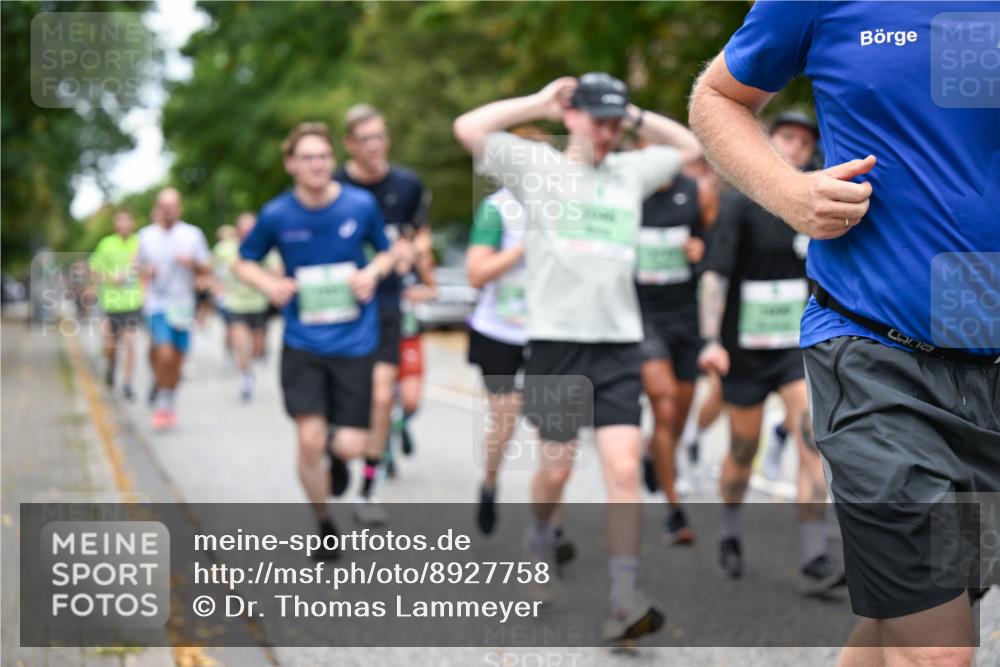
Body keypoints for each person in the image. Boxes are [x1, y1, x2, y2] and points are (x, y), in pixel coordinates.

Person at [689, 2, 999, 664]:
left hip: (989, 375)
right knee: (941, 648)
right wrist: (789, 192)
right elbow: (717, 97)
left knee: (925, 605)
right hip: (875, 353)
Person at [454, 72, 701, 642]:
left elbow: (691, 147)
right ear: (572, 117)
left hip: (618, 344)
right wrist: (539, 102)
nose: (609, 133)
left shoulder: (629, 172)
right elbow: (468, 127)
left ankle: (623, 598)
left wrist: (633, 115)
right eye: (599, 120)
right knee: (557, 468)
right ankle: (540, 536)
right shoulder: (537, 168)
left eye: (616, 123)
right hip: (557, 344)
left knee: (623, 470)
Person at [696, 111, 845, 595]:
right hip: (743, 351)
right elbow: (715, 274)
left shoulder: (817, 207)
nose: (794, 147)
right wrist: (710, 341)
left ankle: (814, 554)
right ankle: (729, 528)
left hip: (794, 349)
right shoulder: (739, 205)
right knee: (743, 449)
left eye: (804, 141)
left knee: (811, 437)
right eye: (786, 136)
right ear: (769, 140)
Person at [235, 121, 394, 560]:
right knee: (308, 439)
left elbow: (387, 252)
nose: (317, 164)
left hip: (356, 341)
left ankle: (337, 457)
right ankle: (324, 525)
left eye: (323, 156)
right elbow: (243, 262)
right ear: (291, 164)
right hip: (303, 342)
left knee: (351, 445)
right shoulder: (276, 214)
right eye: (307, 158)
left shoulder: (360, 205)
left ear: (332, 160)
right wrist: (269, 284)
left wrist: (371, 273)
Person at [334, 104, 435, 523]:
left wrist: (415, 251)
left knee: (381, 397)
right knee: (341, 404)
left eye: (380, 136)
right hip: (339, 306)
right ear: (349, 144)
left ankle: (368, 488)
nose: (375, 146)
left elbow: (421, 234)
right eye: (365, 139)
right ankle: (336, 451)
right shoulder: (333, 184)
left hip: (388, 302)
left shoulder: (407, 185)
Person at [634, 139, 715, 545]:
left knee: (678, 417)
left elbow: (716, 248)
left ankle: (655, 452)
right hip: (642, 316)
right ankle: (674, 511)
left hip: (686, 316)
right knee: (663, 404)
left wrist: (700, 251)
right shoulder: (630, 191)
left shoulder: (696, 192)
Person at [137, 188, 211, 431]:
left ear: (179, 208)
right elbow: (136, 268)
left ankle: (167, 397)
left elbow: (207, 269)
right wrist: (146, 273)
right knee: (164, 353)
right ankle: (162, 398)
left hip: (183, 305)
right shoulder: (146, 235)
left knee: (177, 360)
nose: (168, 210)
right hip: (157, 303)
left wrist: (193, 264)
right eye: (164, 205)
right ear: (157, 208)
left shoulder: (192, 234)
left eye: (173, 205)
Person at [213, 212, 282, 401]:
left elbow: (278, 270)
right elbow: (213, 271)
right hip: (235, 303)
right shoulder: (224, 249)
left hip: (259, 304)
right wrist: (217, 289)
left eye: (251, 230)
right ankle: (245, 375)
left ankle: (252, 361)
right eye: (244, 230)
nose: (247, 233)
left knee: (257, 347)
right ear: (237, 231)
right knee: (241, 342)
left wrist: (270, 277)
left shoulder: (267, 248)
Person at [89, 210, 143, 400]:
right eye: (120, 221)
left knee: (130, 343)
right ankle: (111, 365)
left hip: (132, 302)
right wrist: (111, 278)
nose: (124, 225)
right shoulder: (106, 244)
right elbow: (93, 270)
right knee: (110, 347)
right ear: (115, 225)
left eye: (127, 221)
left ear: (132, 223)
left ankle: (127, 383)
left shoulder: (139, 242)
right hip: (110, 303)